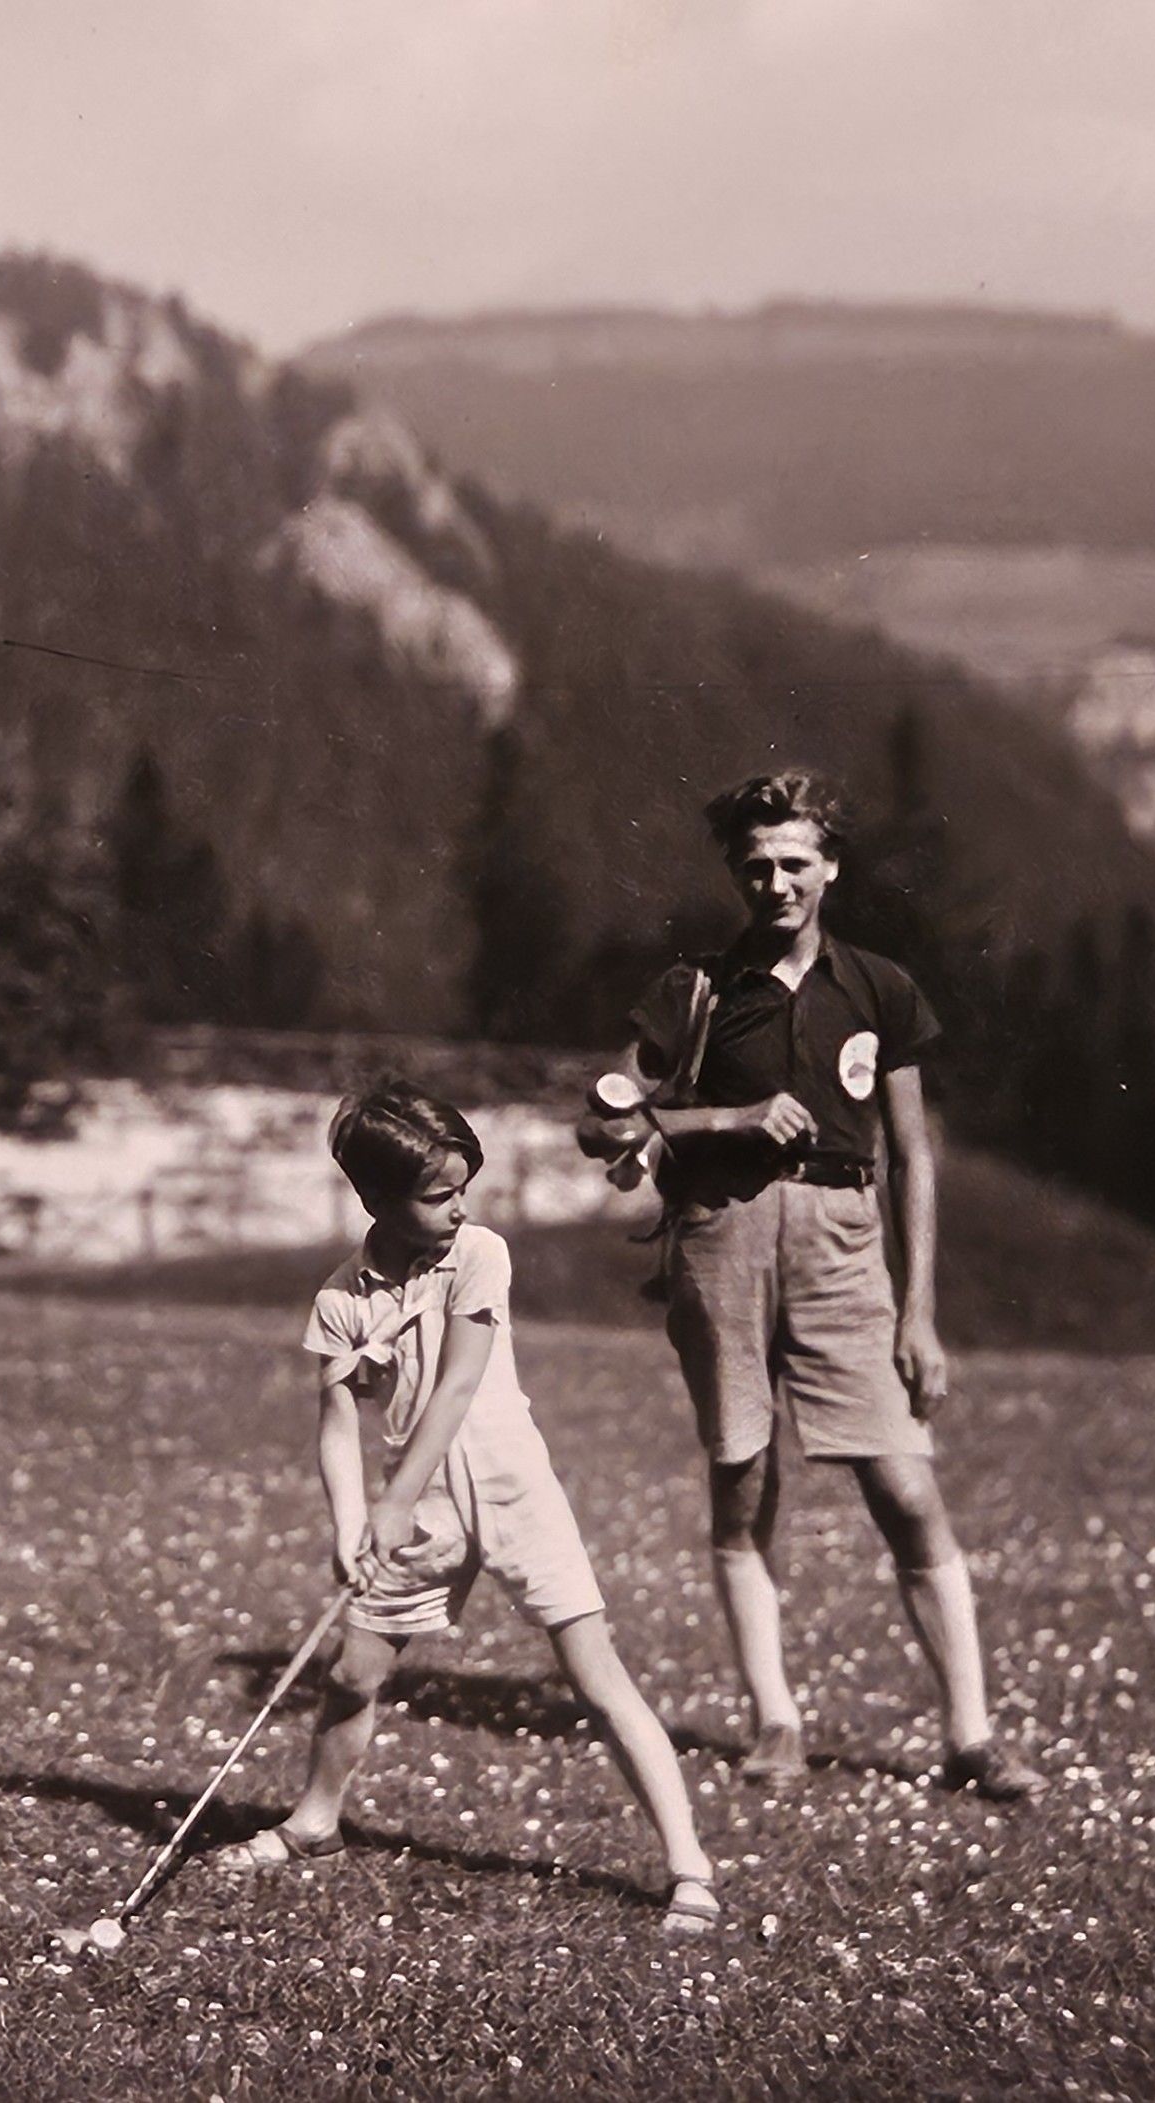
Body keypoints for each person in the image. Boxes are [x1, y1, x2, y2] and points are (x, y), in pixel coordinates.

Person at [578, 770, 1045, 1802]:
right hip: (721, 1240)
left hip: (842, 1245)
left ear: (830, 867)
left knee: (905, 1488)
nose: (775, 884)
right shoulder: (694, 990)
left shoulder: (879, 988)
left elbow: (914, 1158)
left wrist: (918, 1312)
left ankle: (970, 1737)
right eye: (755, 867)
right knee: (744, 1483)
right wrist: (723, 1124)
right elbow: (601, 1126)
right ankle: (774, 1720)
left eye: (794, 863)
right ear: (734, 874)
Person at [216, 1079, 724, 1935]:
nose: (458, 1208)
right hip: (419, 1514)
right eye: (438, 1194)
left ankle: (689, 1868)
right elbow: (337, 1421)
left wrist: (391, 1501)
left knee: (596, 1679)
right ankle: (313, 1822)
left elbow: (454, 1387)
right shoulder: (341, 1299)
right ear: (377, 1197)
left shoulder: (480, 1254)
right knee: (351, 1674)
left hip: (512, 1487)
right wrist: (352, 1523)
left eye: (463, 1188)